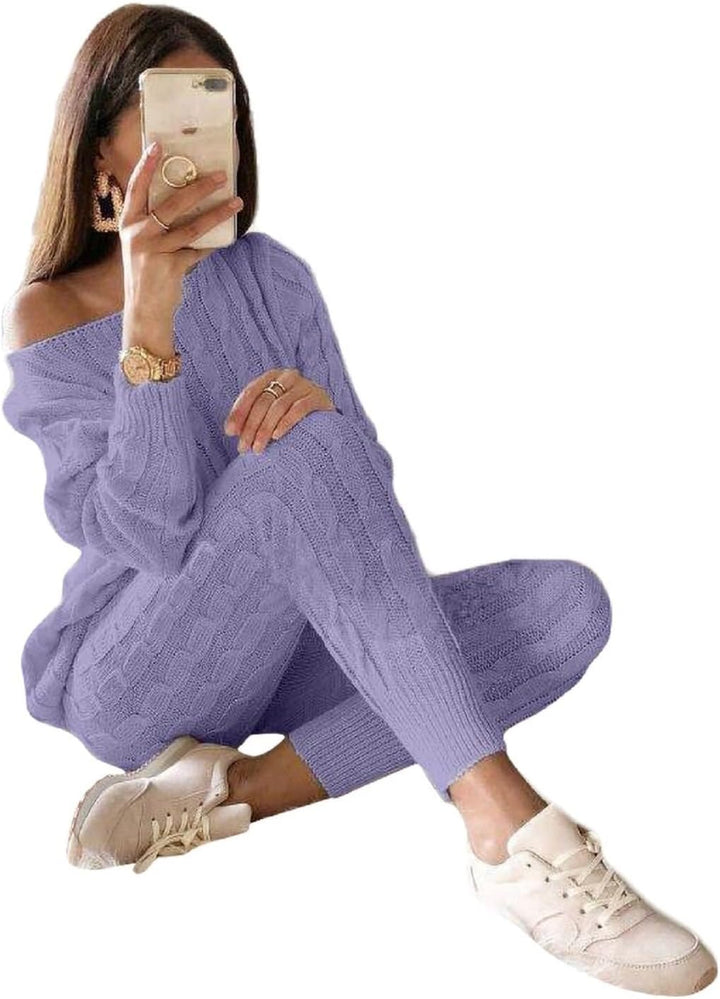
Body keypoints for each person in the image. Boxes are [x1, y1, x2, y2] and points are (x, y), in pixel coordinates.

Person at [1, 5, 715, 994]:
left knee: (565, 607)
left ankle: (229, 792)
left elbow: (359, 494)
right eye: (170, 114)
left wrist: (322, 423)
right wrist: (150, 323)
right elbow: (145, 535)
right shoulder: (51, 315)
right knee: (299, 452)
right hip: (141, 671)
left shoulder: (274, 276)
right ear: (99, 158)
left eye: (218, 110)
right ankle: (509, 834)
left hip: (287, 647)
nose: (201, 140)